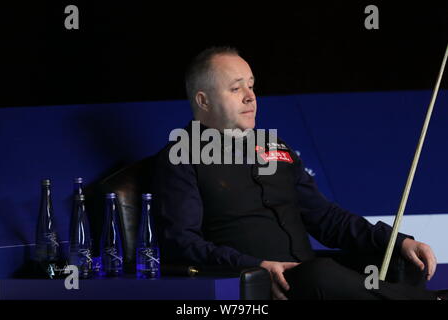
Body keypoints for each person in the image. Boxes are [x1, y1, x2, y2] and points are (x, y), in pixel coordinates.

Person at [152, 46, 442, 300]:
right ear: (203, 101)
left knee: (400, 261)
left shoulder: (274, 146)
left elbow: (326, 219)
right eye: (236, 88)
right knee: (321, 274)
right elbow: (182, 243)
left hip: (311, 278)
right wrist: (256, 265)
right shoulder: (180, 158)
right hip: (262, 283)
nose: (251, 97)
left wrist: (396, 240)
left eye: (252, 86)